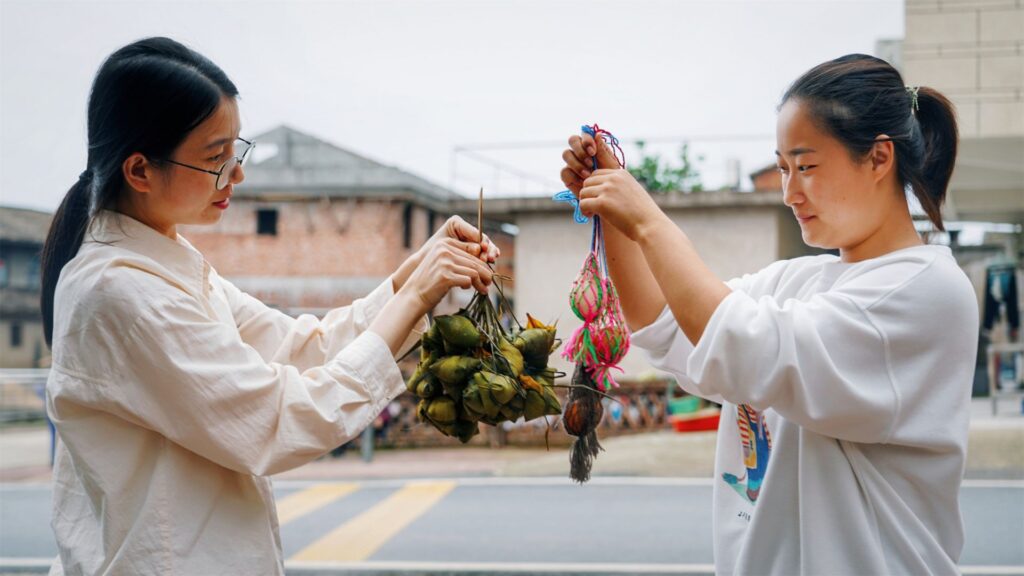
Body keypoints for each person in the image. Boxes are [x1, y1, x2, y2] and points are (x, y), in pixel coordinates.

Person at [41, 37, 497, 575]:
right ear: (140, 171)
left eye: (237, 151)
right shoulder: (121, 294)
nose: (237, 175)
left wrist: (413, 277)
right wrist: (419, 294)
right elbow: (277, 419)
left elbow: (304, 348)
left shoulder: (167, 264)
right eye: (215, 158)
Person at [560, 54, 977, 575]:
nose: (789, 191)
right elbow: (668, 326)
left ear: (878, 158)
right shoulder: (796, 280)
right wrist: (615, 212)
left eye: (805, 166)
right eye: (782, 168)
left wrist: (648, 219)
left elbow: (744, 346)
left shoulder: (926, 289)